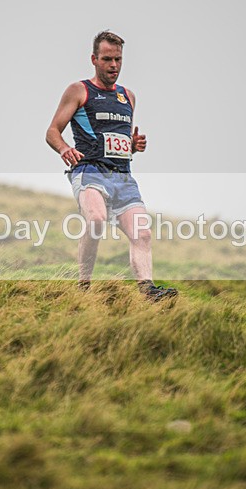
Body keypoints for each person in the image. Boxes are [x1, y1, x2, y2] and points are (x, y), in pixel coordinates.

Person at [45, 30, 177, 302]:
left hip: (123, 178)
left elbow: (119, 144)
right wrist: (64, 148)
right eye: (107, 59)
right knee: (95, 219)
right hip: (89, 171)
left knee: (143, 233)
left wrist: (133, 146)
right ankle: (83, 285)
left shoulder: (128, 96)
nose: (113, 65)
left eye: (118, 59)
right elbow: (52, 131)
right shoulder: (79, 90)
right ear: (94, 59)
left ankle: (148, 291)